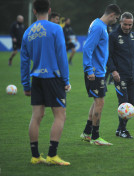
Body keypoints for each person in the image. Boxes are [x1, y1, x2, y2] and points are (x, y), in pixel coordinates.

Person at [21, 0, 70, 165]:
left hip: (36, 78)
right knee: (60, 115)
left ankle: (35, 156)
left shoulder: (27, 32)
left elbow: (24, 62)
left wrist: (26, 85)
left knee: (36, 116)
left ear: (34, 11)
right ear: (49, 10)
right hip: (53, 78)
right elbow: (62, 56)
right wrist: (66, 80)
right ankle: (52, 155)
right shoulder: (56, 28)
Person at [80, 4, 121, 145]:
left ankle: (87, 133)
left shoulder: (98, 24)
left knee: (97, 101)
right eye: (116, 17)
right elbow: (87, 48)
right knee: (100, 102)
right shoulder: (98, 27)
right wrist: (89, 69)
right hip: (95, 72)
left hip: (99, 71)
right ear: (112, 15)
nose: (116, 20)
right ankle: (96, 137)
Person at [107, 12, 134, 139]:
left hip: (132, 75)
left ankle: (120, 129)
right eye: (125, 24)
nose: (127, 27)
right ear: (120, 22)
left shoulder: (133, 36)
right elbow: (108, 56)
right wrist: (113, 71)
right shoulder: (113, 36)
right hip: (120, 76)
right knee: (124, 103)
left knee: (131, 104)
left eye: (130, 25)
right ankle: (123, 130)